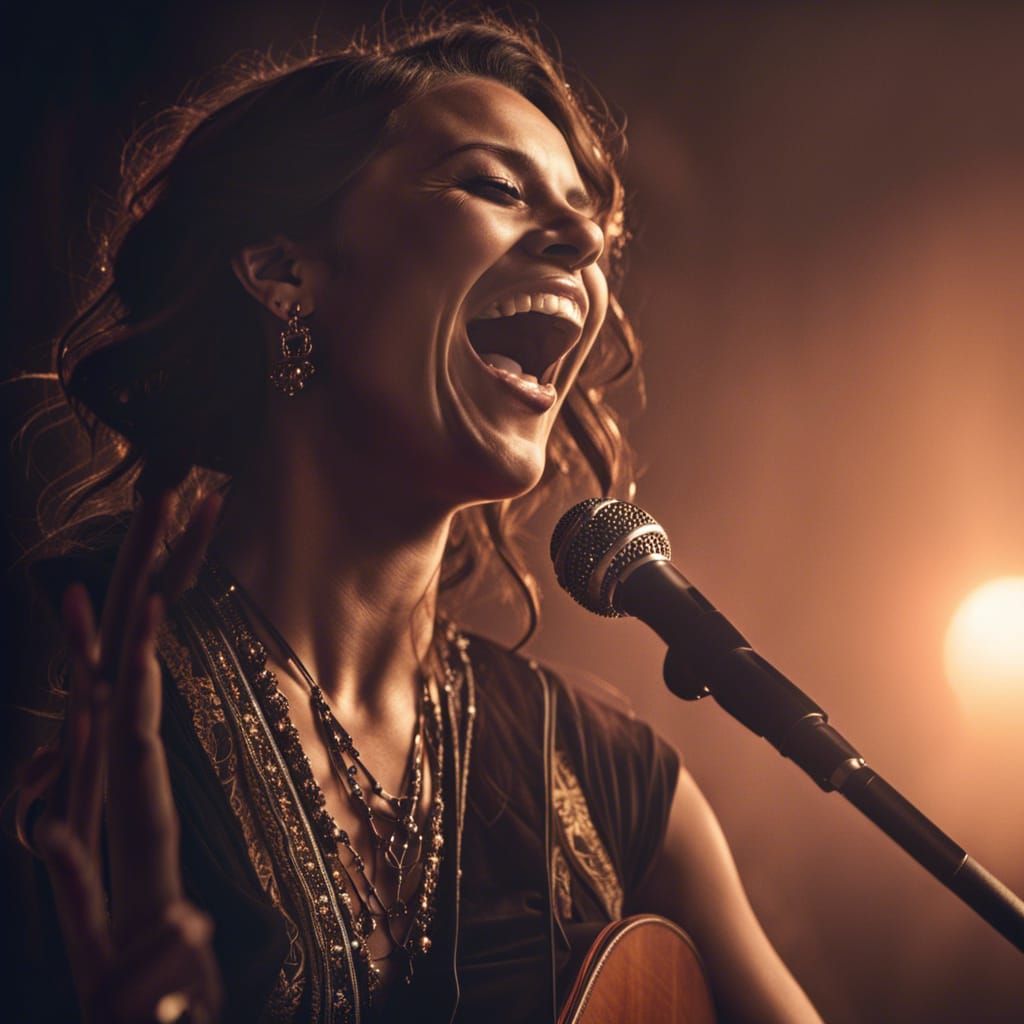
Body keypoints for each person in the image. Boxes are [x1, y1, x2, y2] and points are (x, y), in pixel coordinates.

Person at [13, 13, 824, 1024]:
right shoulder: (55, 694)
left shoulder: (610, 775)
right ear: (284, 272)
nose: (581, 242)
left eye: (592, 227)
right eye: (493, 184)